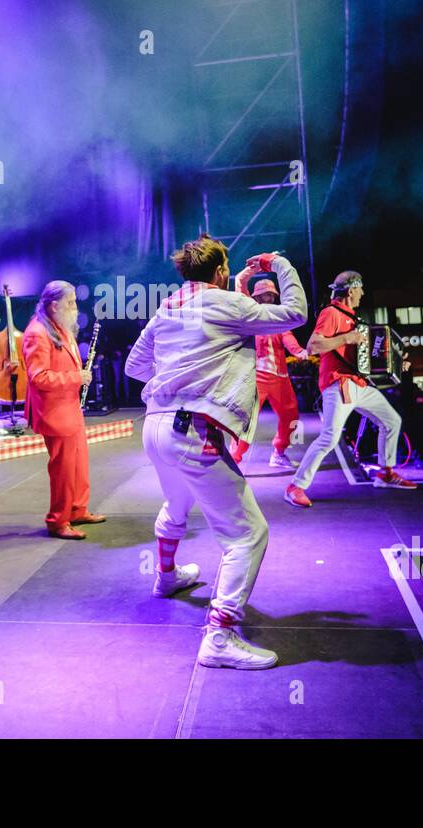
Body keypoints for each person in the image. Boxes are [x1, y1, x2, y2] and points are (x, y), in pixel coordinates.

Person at [126, 236, 306, 670]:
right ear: (221, 271)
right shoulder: (229, 304)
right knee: (248, 535)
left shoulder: (167, 306)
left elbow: (134, 366)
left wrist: (176, 375)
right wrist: (278, 262)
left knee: (178, 501)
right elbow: (295, 313)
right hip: (191, 431)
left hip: (154, 427)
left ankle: (166, 577)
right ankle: (219, 636)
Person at [285, 270, 415, 508]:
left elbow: (366, 360)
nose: (363, 293)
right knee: (329, 438)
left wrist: (397, 364)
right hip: (339, 384)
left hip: (358, 383)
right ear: (351, 289)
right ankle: (295, 486)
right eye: (361, 288)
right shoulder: (331, 313)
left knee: (392, 421)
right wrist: (346, 338)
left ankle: (385, 474)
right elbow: (313, 345)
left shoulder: (352, 318)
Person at [22, 281, 105, 539]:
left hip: (68, 407)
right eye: (70, 303)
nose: (74, 307)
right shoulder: (38, 332)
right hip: (54, 411)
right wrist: (76, 378)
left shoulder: (61, 326)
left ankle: (78, 509)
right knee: (63, 468)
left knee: (79, 462)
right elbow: (39, 377)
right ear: (54, 305)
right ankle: (58, 521)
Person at [228, 270, 308, 469]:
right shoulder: (250, 312)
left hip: (280, 377)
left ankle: (279, 452)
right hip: (257, 377)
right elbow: (240, 283)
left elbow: (287, 335)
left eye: (272, 294)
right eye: (266, 294)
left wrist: (299, 351)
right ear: (257, 296)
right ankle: (234, 460)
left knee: (291, 417)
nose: (270, 297)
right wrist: (253, 268)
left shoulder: (278, 315)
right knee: (247, 420)